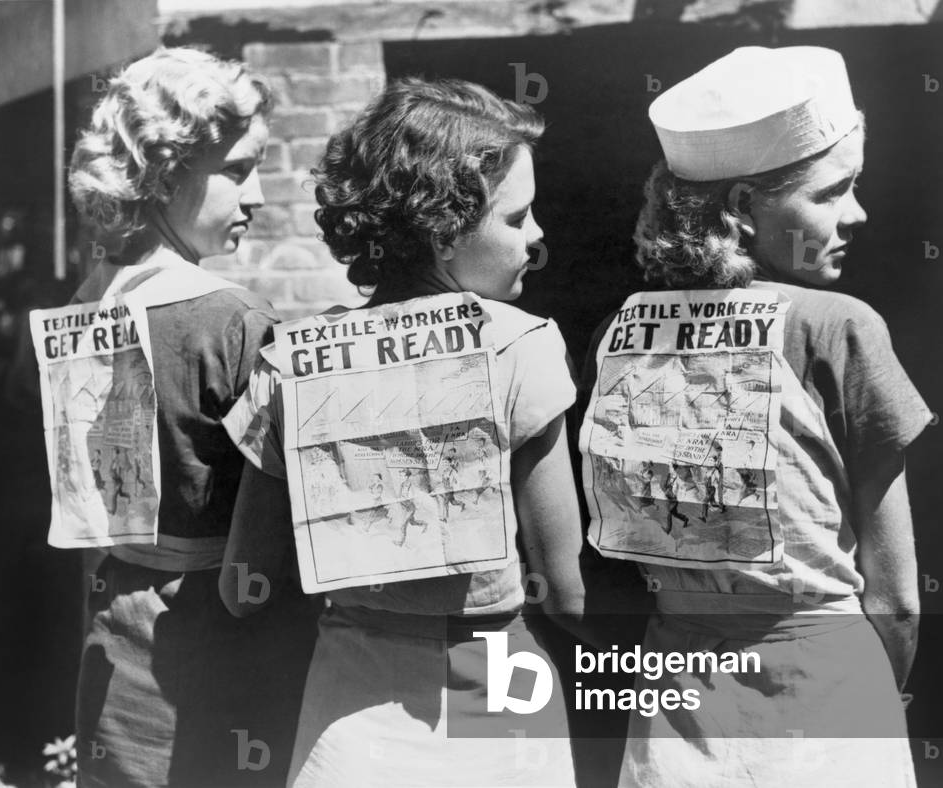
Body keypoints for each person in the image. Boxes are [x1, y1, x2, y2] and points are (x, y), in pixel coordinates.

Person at [579, 46, 932, 787]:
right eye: (832, 192)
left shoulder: (616, 333)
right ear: (740, 208)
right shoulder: (835, 325)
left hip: (675, 704)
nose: (857, 214)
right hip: (823, 686)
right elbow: (896, 599)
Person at [220, 77, 585, 787]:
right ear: (444, 231)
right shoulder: (519, 344)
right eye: (517, 219)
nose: (537, 237)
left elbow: (245, 586)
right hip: (495, 690)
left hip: (349, 702)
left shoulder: (292, 358)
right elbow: (566, 593)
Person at [60, 47, 320, 787]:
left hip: (113, 629)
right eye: (238, 170)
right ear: (168, 171)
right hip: (221, 647)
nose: (259, 195)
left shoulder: (81, 305)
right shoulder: (233, 321)